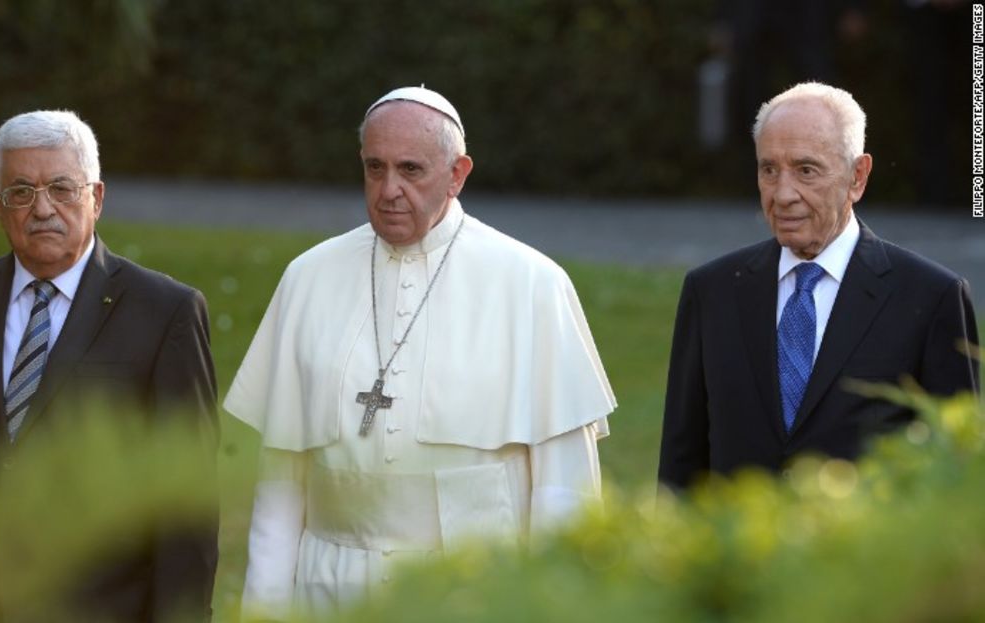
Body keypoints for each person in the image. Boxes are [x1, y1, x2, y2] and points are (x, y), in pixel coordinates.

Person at [224, 86, 616, 619]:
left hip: (475, 595)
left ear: (457, 174)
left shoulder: (531, 285)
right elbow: (280, 483)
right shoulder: (308, 278)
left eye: (411, 170)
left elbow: (563, 493)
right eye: (374, 167)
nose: (389, 190)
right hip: (330, 593)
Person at [0, 110, 219, 620]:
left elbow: (185, 509)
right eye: (21, 192)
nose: (42, 209)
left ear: (96, 198)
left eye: (62, 188)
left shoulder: (164, 312)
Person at [658, 82, 980, 491]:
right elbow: (680, 466)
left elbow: (957, 473)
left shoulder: (931, 299)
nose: (783, 194)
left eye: (806, 170)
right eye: (768, 170)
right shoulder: (712, 291)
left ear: (857, 177)